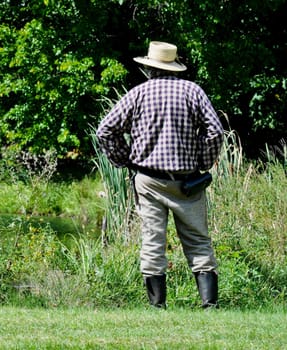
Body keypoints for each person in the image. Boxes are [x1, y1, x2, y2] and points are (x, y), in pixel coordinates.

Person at [96, 41, 224, 308]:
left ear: (149, 68)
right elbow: (215, 132)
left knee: (153, 242)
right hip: (188, 182)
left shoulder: (138, 93)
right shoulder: (193, 91)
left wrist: (123, 159)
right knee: (199, 241)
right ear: (175, 67)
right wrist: (203, 162)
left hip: (148, 180)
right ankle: (209, 305)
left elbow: (105, 130)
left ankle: (158, 307)